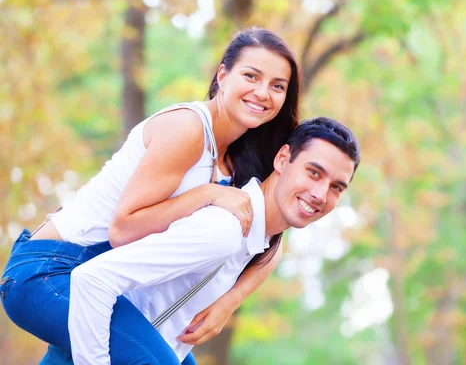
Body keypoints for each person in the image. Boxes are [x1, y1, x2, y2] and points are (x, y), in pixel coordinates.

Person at [0, 27, 301, 364]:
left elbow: (270, 235)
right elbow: (123, 229)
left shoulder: (240, 157)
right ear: (222, 75)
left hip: (109, 287)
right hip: (51, 271)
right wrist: (208, 194)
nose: (262, 92)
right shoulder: (188, 128)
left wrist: (228, 303)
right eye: (251, 76)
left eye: (277, 86)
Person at [67, 117, 361, 364]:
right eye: (313, 172)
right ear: (283, 159)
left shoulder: (262, 243)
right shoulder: (224, 229)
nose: (320, 194)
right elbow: (92, 280)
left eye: (336, 187)